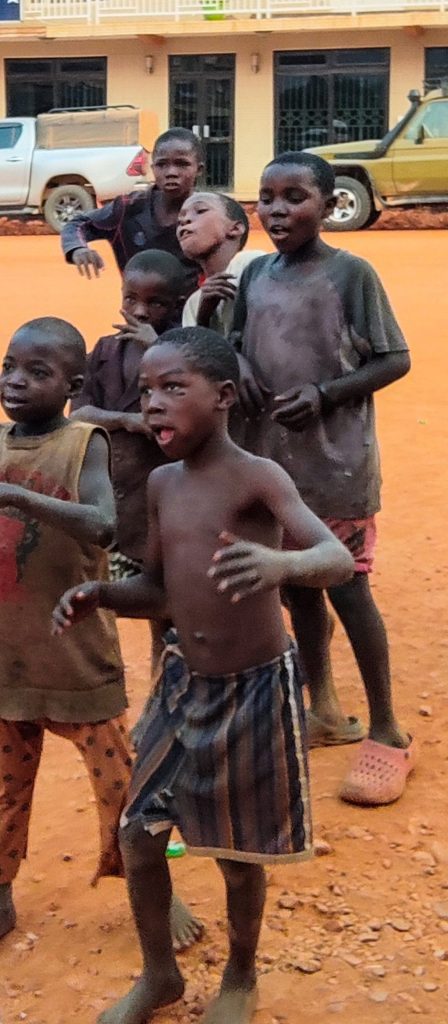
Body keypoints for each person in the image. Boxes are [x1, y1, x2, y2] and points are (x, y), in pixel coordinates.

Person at [53, 326, 355, 1024]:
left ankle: (242, 976)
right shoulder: (162, 483)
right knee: (139, 833)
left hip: (254, 688)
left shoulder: (258, 477)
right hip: (184, 683)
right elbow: (160, 590)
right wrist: (103, 594)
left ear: (222, 398)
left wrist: (282, 565)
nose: (153, 406)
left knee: (237, 849)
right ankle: (160, 975)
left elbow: (334, 557)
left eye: (171, 389)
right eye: (145, 393)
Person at [0, 318, 199, 950]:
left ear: (73, 384)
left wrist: (18, 496)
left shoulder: (84, 441)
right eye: (9, 366)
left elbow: (101, 525)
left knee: (124, 785)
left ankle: (158, 891)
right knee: (5, 788)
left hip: (75, 654)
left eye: (38, 373)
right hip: (9, 655)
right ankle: (0, 894)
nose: (15, 381)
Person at [231, 151, 415, 805]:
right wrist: (239, 367)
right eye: (268, 197)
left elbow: (395, 358)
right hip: (271, 467)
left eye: (294, 197)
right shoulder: (253, 274)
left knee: (348, 590)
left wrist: (329, 392)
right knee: (299, 593)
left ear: (330, 204)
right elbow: (230, 343)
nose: (278, 210)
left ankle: (389, 729)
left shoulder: (351, 274)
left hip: (335, 468)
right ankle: (325, 709)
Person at [71, 250, 191, 669]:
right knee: (103, 600)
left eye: (155, 303)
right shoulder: (105, 351)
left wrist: (159, 349)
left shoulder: (183, 353)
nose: (139, 311)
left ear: (177, 305)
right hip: (114, 502)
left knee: (165, 607)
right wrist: (127, 419)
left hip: (160, 507)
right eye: (130, 299)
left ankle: (163, 691)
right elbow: (80, 413)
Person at [61, 128, 203, 283]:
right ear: (153, 168)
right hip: (139, 305)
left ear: (199, 169)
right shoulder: (127, 208)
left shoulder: (211, 214)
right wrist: (77, 248)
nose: (171, 172)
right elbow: (78, 223)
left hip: (195, 306)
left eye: (182, 164)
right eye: (162, 164)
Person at [177, 192, 266, 337]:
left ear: (235, 228)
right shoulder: (194, 303)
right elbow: (198, 357)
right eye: (180, 221)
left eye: (200, 211)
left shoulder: (252, 264)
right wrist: (203, 317)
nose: (185, 221)